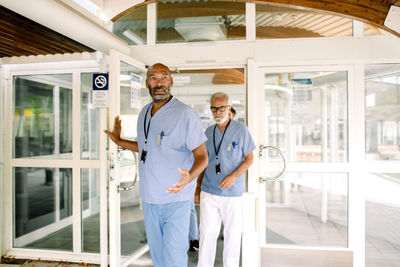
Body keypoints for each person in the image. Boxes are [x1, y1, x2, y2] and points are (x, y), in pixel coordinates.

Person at [105, 63, 208, 267]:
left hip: (175, 199)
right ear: (146, 83)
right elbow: (146, 148)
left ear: (171, 81)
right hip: (150, 198)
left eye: (163, 77)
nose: (158, 82)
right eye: (153, 77)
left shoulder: (185, 114)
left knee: (175, 256)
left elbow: (202, 156)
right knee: (159, 257)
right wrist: (120, 142)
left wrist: (190, 178)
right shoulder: (144, 113)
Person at [195, 92, 255, 267]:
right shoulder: (209, 131)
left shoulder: (241, 130)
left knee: (232, 235)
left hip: (232, 193)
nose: (218, 112)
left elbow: (250, 158)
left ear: (229, 108)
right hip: (209, 190)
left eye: (222, 108)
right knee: (206, 234)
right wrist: (198, 187)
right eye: (214, 108)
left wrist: (234, 176)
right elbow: (203, 161)